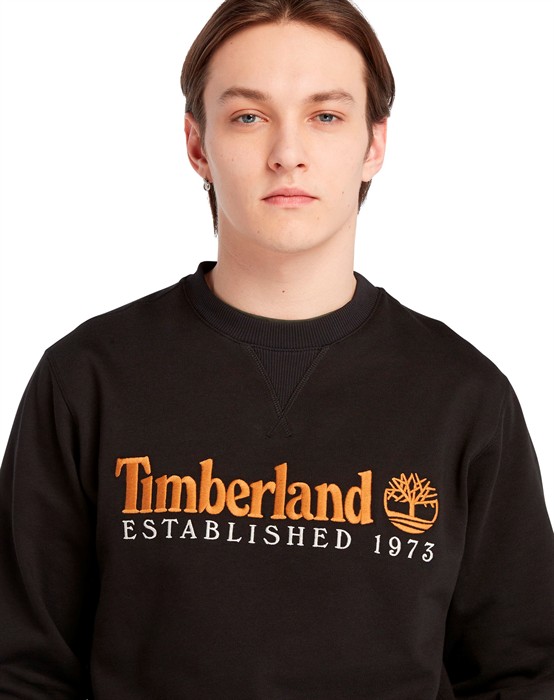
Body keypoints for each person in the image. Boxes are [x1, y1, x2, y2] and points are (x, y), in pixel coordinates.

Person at [0, 0, 553, 697]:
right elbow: (21, 668)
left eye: (326, 115)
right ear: (197, 144)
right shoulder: (86, 379)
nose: (288, 152)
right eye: (248, 116)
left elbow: (523, 672)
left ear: (374, 144)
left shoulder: (465, 397)